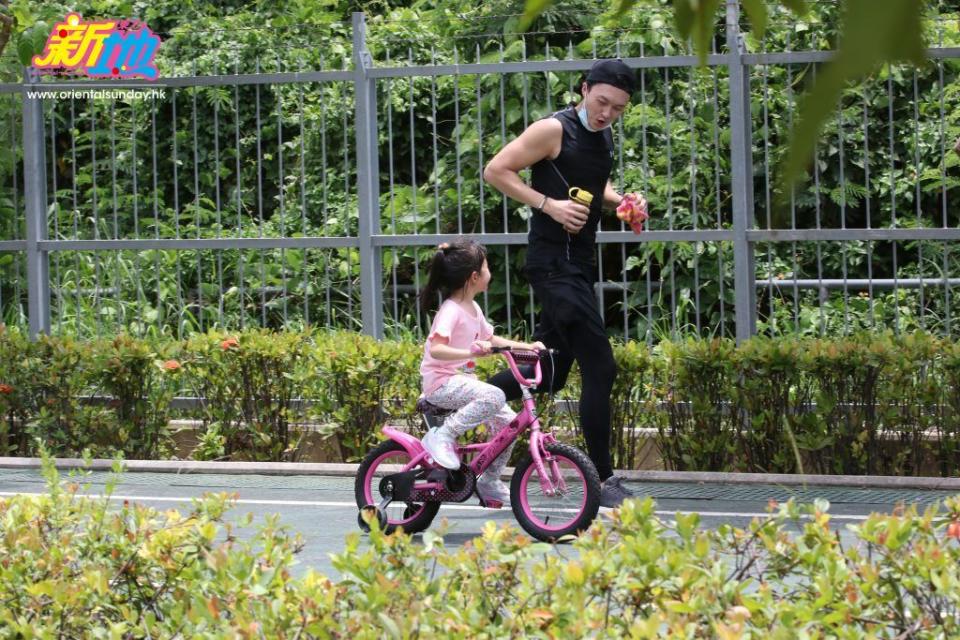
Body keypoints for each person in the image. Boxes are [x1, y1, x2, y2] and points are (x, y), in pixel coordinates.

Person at [482, 58, 647, 508]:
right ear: (584, 88)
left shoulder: (603, 133)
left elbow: (594, 184)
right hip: (552, 264)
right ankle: (605, 480)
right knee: (601, 365)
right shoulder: (551, 130)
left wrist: (623, 202)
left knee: (548, 373)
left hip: (577, 265)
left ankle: (456, 403)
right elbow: (496, 170)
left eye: (617, 108)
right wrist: (547, 205)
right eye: (601, 102)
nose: (607, 113)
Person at [418, 240, 545, 505]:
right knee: (494, 395)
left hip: (458, 380)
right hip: (440, 383)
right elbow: (437, 350)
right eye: (487, 268)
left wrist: (529, 347)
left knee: (508, 424)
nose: (491, 273)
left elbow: (493, 339)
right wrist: (471, 354)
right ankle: (442, 436)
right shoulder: (450, 311)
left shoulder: (473, 308)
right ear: (474, 277)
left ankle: (487, 480)